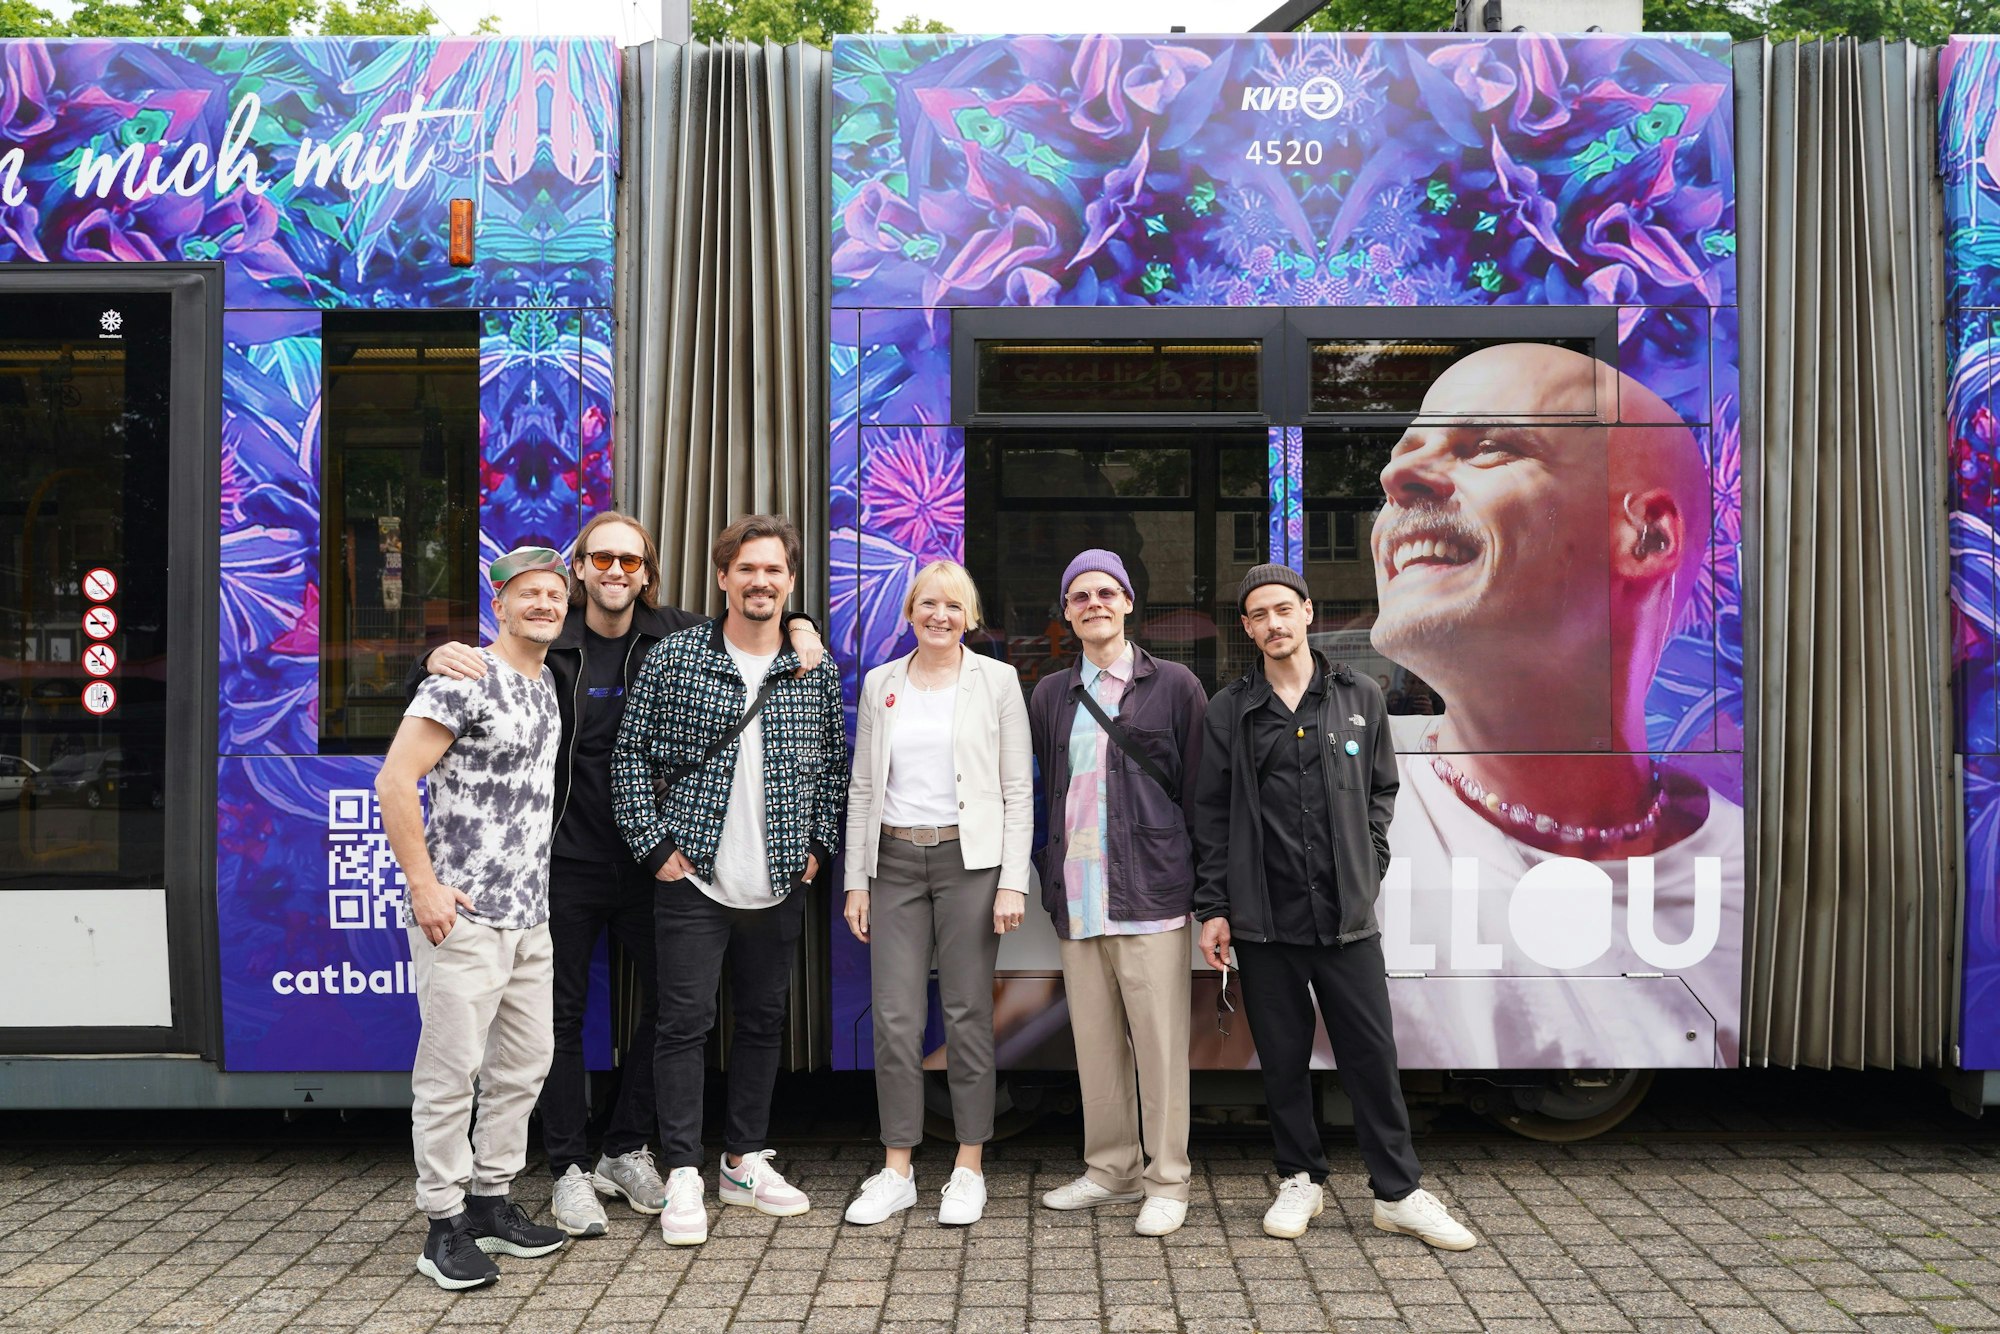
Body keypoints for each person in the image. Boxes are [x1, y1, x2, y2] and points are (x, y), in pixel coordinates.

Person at [410, 512, 822, 1238]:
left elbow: (759, 614)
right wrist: (434, 655)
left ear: (647, 574)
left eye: (631, 562)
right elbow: (481, 674)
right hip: (556, 863)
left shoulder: (670, 637)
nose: (615, 572)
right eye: (601, 558)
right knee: (554, 1021)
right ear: (578, 570)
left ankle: (625, 1147)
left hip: (649, 862)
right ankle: (567, 1166)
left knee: (675, 1007)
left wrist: (803, 627)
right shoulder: (546, 640)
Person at [1369, 343, 1744, 1067]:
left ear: (1647, 536)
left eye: (1485, 447)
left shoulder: (1759, 888)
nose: (1395, 475)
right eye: (1406, 449)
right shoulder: (1329, 789)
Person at [1192, 563, 1475, 1250]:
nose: (1273, 623)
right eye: (1259, 614)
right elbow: (1207, 815)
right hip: (1264, 917)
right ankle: (1299, 1179)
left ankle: (1398, 1192)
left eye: (1283, 609)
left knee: (1370, 1055)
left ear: (1308, 612)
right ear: (1247, 628)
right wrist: (1214, 907)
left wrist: (1368, 862)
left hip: (1346, 917)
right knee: (1283, 1058)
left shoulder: (1360, 696)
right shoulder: (1229, 709)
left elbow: (1382, 789)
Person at [611, 514, 846, 1247]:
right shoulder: (677, 657)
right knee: (683, 1025)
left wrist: (817, 845)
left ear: (791, 583)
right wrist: (654, 850)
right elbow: (629, 758)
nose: (761, 581)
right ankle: (683, 1170)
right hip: (692, 881)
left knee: (764, 1023)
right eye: (747, 569)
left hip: (776, 880)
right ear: (722, 579)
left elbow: (836, 768)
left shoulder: (814, 670)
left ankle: (743, 1159)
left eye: (774, 570)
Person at [375, 546, 575, 1291]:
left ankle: (492, 1203)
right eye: (530, 593)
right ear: (501, 604)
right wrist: (423, 886)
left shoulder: (547, 681)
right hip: (461, 915)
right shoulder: (463, 679)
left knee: (522, 1068)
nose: (545, 604)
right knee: (450, 1074)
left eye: (555, 594)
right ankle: (442, 1226)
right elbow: (396, 780)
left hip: (529, 916)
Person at [840, 560, 1031, 1228]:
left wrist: (1013, 879)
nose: (940, 616)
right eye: (927, 604)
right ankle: (897, 1170)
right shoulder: (880, 683)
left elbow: (1016, 789)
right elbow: (863, 787)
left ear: (968, 615)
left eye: (952, 606)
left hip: (968, 863)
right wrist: (855, 881)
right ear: (910, 613)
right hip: (892, 860)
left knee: (966, 1015)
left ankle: (968, 1168)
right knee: (893, 1019)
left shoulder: (998, 681)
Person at [1027, 549, 1208, 1238]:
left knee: (1160, 1044)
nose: (1094, 603)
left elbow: (1198, 795)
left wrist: (1206, 890)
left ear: (1129, 602)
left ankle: (1167, 1179)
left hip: (1152, 893)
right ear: (1068, 612)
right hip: (1079, 894)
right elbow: (1052, 794)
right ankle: (1111, 1170)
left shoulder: (1176, 686)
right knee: (1096, 1044)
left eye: (1107, 592)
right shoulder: (1050, 693)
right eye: (1080, 596)